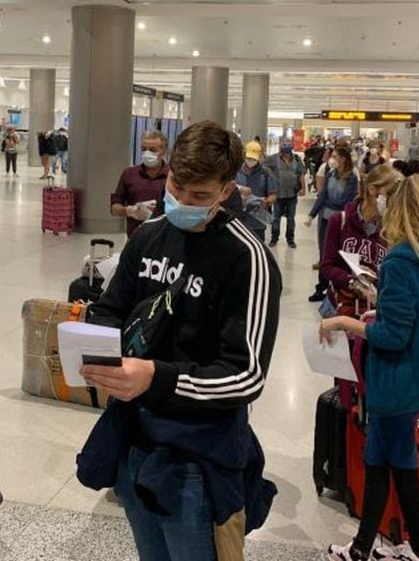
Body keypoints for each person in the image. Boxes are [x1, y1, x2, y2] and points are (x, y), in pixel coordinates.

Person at [81, 120, 281, 561]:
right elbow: (113, 308)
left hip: (198, 457)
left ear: (226, 190)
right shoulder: (150, 235)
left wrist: (156, 378)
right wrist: (92, 344)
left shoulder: (246, 258)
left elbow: (246, 376)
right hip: (134, 439)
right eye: (177, 187)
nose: (183, 203)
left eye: (200, 197)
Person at [321, 176, 419, 561]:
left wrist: (347, 323)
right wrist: (382, 312)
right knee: (381, 460)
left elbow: (393, 336)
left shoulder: (399, 260)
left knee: (398, 464)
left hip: (396, 378)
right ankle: (364, 547)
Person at [318, 165, 403, 318]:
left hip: (376, 310)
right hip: (341, 306)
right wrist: (352, 281)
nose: (394, 203)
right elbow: (327, 266)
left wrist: (377, 277)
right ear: (372, 190)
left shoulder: (394, 230)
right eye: (389, 195)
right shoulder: (340, 221)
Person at [307, 144, 360, 303]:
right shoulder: (330, 174)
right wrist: (312, 215)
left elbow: (347, 200)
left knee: (340, 255)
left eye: (335, 157)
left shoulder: (352, 177)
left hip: (342, 220)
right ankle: (321, 288)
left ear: (343, 159)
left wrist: (334, 208)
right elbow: (322, 196)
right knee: (324, 255)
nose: (332, 160)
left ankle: (338, 289)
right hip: (325, 219)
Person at [111, 130, 169, 238]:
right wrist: (130, 211)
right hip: (135, 238)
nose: (147, 153)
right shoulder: (129, 174)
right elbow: (114, 208)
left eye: (152, 150)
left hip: (164, 237)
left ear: (163, 151)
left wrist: (160, 211)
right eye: (144, 149)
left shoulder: (173, 176)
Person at [265, 140, 305, 248]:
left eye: (287, 151)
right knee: (276, 218)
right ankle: (274, 238)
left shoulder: (297, 159)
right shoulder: (273, 158)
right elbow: (263, 166)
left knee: (291, 218)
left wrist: (303, 188)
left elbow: (301, 174)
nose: (286, 154)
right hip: (278, 195)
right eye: (284, 151)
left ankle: (290, 239)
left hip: (292, 194)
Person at [235, 141, 276, 243]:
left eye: (254, 159)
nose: (251, 161)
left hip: (257, 221)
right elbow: (225, 187)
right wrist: (239, 188)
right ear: (244, 155)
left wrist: (266, 202)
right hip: (238, 219)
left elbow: (273, 195)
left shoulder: (265, 173)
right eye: (249, 158)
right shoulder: (235, 171)